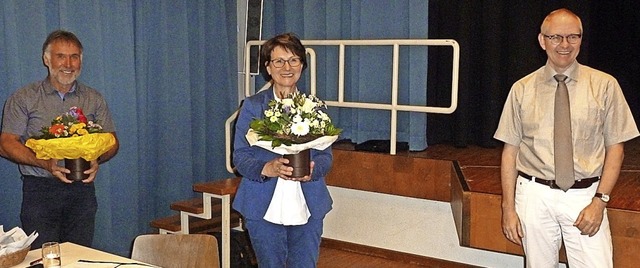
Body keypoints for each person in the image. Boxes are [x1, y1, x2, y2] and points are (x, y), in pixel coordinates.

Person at [494, 8, 639, 268]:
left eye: (573, 37)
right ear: (542, 40)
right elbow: (510, 152)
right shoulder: (521, 89)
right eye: (556, 37)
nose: (564, 44)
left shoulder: (605, 85)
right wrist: (508, 208)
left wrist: (600, 201)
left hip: (585, 197)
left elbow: (616, 149)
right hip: (534, 196)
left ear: (581, 40)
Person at [0, 30, 119, 248]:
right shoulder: (24, 97)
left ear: (81, 61)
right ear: (46, 59)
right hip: (40, 191)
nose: (68, 63)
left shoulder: (94, 98)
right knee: (43, 258)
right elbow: (6, 144)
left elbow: (112, 141)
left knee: (80, 256)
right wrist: (44, 163)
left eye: (74, 57)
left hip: (82, 189)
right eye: (61, 56)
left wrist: (97, 159)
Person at [232, 32, 333, 267]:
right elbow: (240, 156)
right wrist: (267, 167)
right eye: (279, 61)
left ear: (302, 65)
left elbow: (326, 156)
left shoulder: (315, 107)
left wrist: (312, 171)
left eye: (294, 60)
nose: (287, 67)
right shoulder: (252, 106)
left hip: (308, 203)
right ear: (268, 67)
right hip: (262, 205)